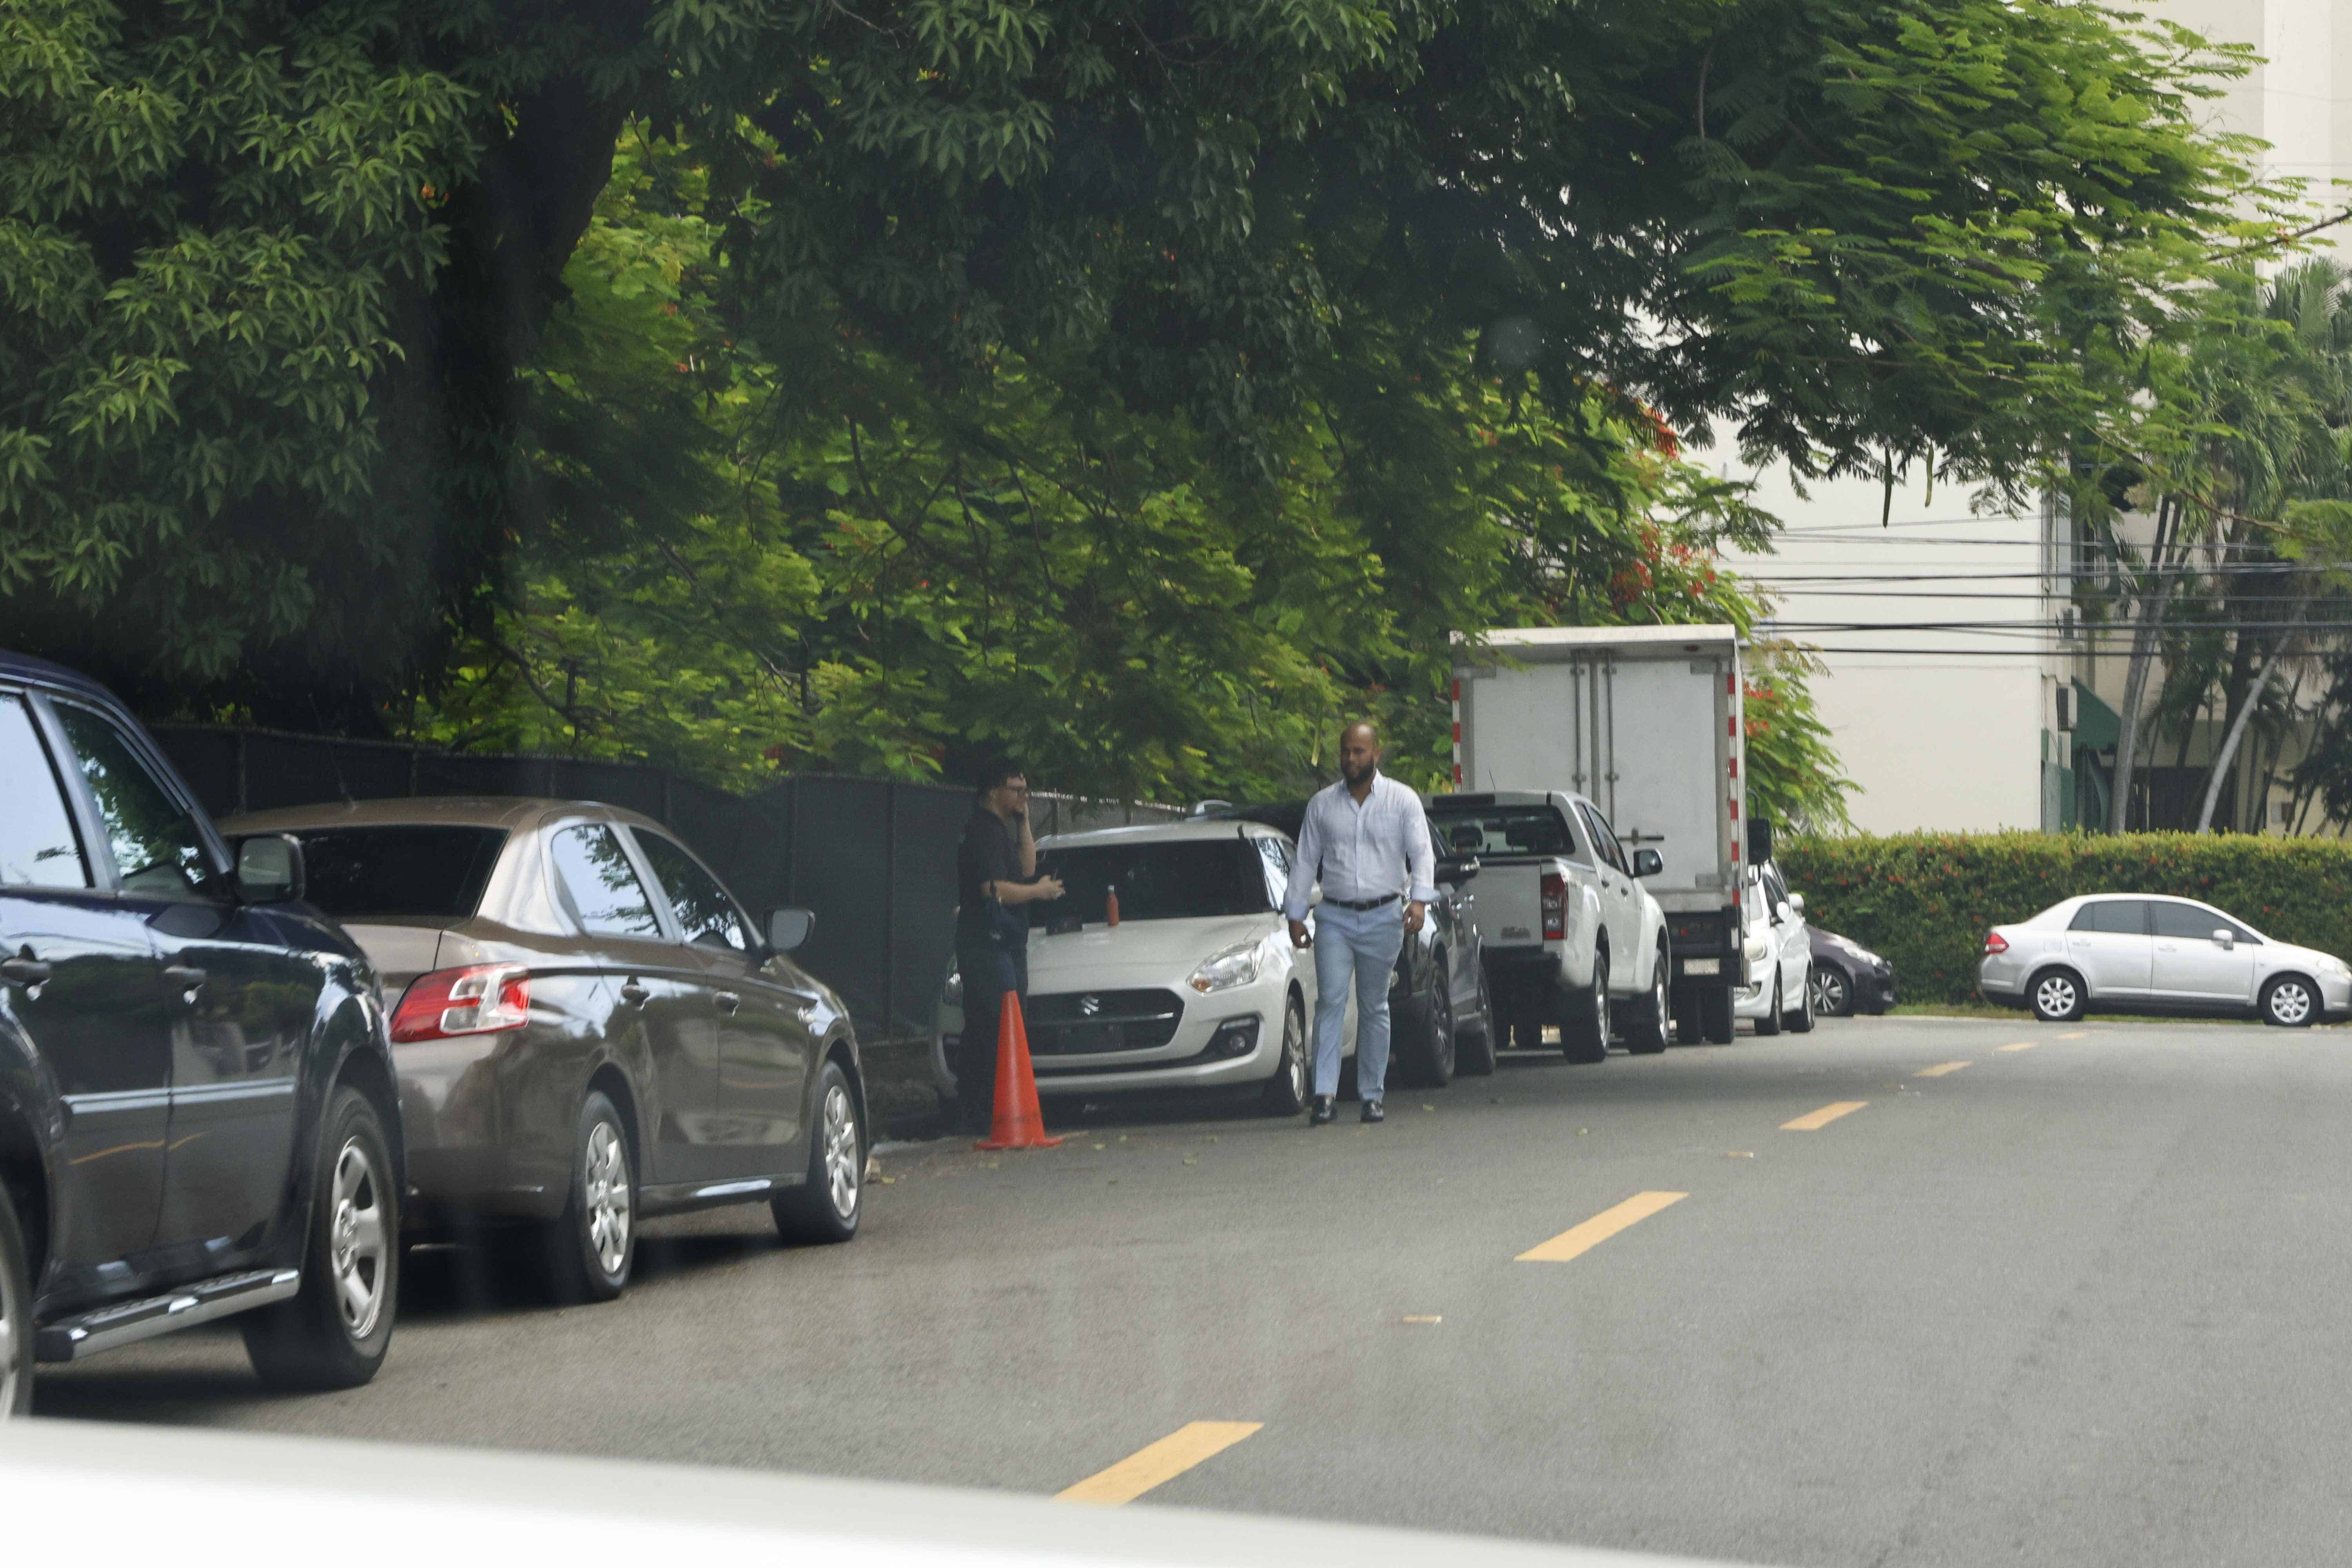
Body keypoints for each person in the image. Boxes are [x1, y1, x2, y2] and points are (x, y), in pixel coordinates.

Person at [1285, 721, 1438, 1125]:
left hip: (1384, 916)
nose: (1351, 759)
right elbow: (1305, 862)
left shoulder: (1402, 801)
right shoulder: (1322, 805)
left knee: (1374, 1005)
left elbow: (1422, 853)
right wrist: (1295, 914)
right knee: (1331, 1001)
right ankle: (1325, 1095)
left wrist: (1419, 902)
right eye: (1345, 752)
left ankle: (1372, 1095)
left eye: (1359, 751)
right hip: (1334, 915)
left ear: (1376, 754)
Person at [953, 761, 1063, 1133]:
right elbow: (993, 889)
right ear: (993, 791)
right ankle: (981, 1111)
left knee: (1010, 1020)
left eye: (1025, 789)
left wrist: (1025, 820)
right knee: (991, 1023)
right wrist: (1038, 893)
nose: (1023, 795)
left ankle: (1001, 1106)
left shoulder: (1001, 829)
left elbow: (1025, 867)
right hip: (987, 941)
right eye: (1016, 789)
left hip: (1007, 940)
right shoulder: (982, 831)